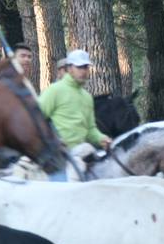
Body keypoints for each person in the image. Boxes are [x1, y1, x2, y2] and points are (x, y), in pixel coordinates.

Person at [38, 49, 110, 181]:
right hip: (58, 156)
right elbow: (36, 118)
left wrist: (102, 138)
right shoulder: (54, 90)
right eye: (79, 67)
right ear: (70, 68)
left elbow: (90, 130)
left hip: (82, 153)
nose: (84, 71)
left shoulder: (87, 97)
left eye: (86, 67)